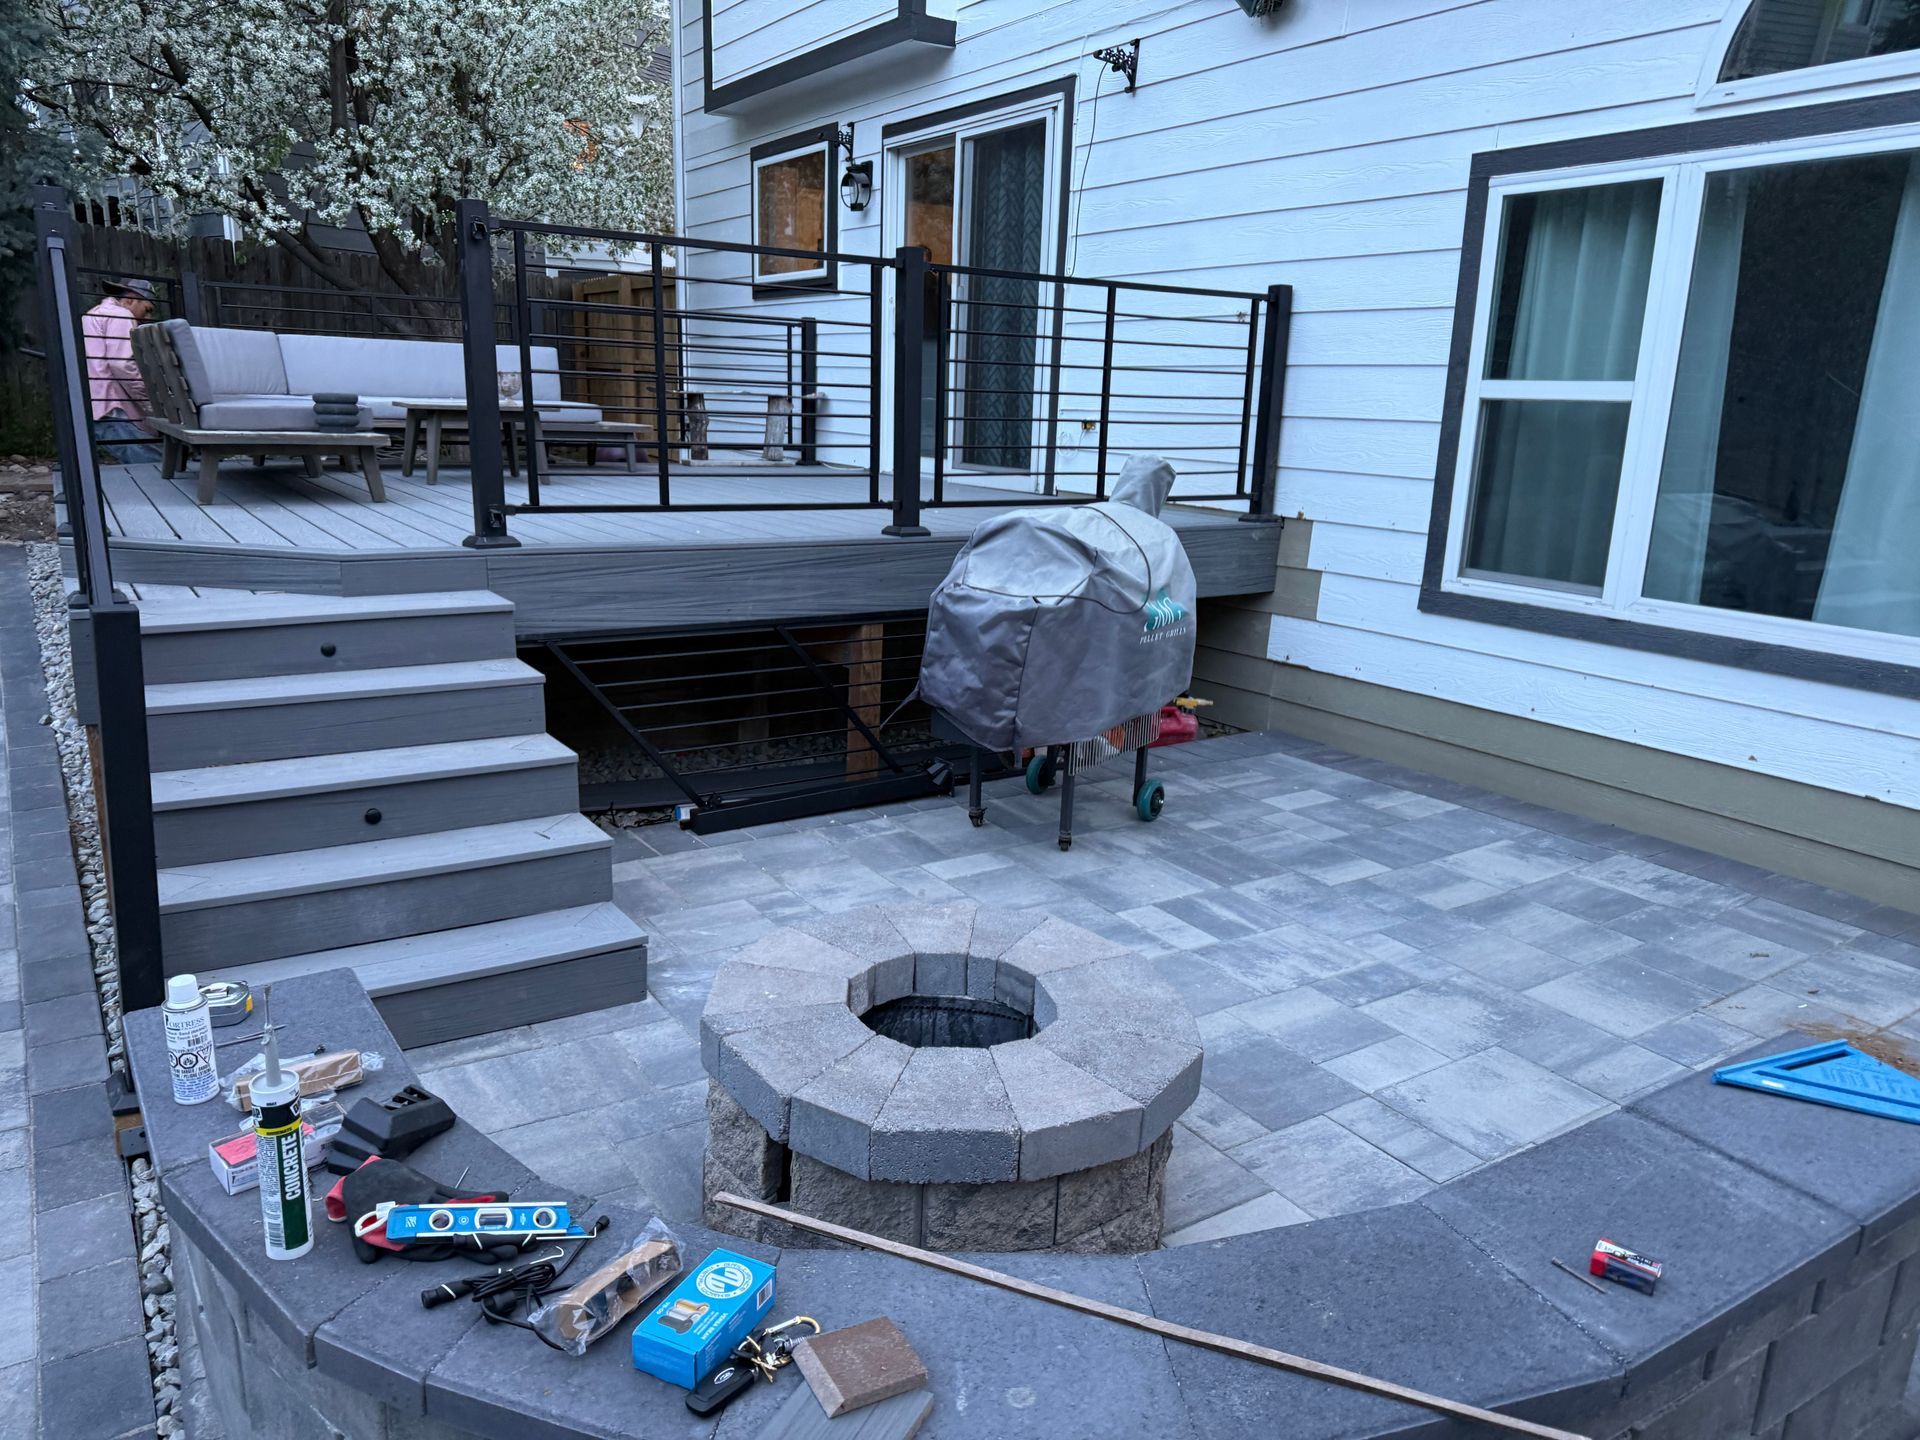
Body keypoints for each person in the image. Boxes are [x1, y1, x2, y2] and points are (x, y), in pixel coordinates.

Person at [83, 278, 162, 463]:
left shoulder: (92, 314)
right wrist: (150, 404)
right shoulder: (121, 315)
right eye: (147, 309)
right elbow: (123, 365)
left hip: (97, 407)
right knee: (154, 467)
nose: (147, 318)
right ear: (130, 299)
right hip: (115, 408)